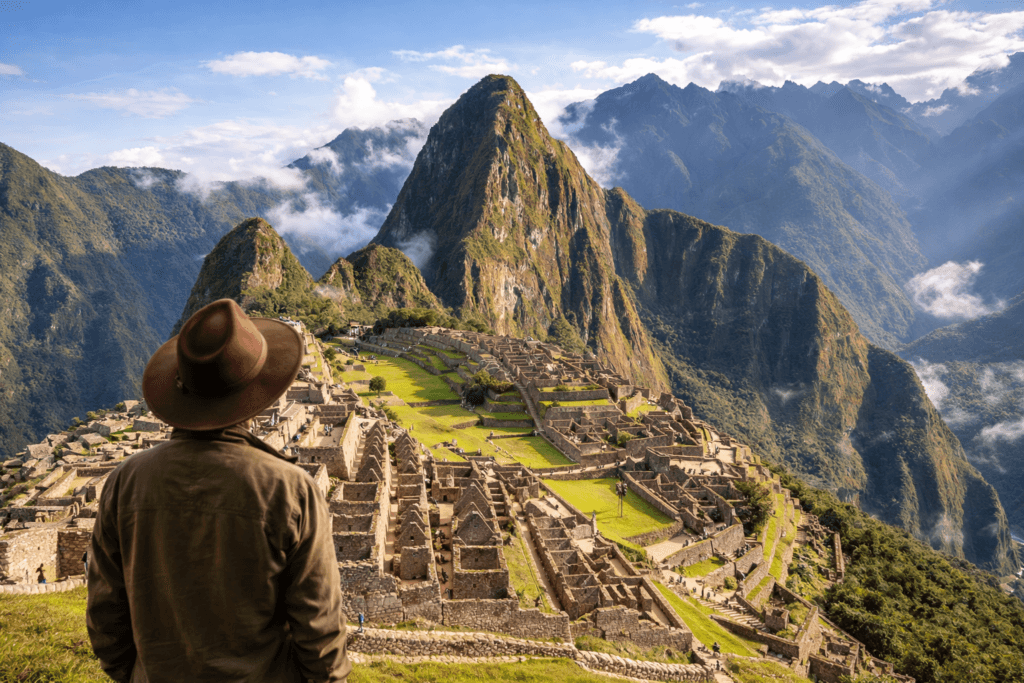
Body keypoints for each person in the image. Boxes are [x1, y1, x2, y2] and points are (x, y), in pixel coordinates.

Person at [86, 299, 349, 683]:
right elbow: (320, 633)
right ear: (259, 395)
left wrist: (136, 675)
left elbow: (106, 616)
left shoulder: (125, 482)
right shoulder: (291, 491)